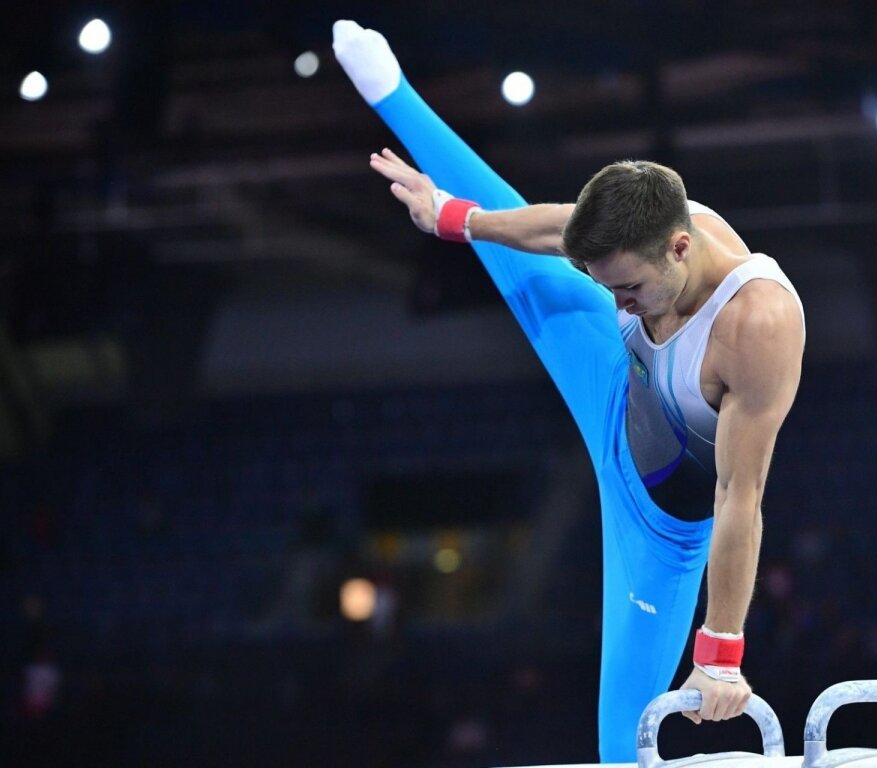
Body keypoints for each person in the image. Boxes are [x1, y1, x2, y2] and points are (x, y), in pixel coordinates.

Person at [332, 20, 805, 762]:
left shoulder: (757, 325)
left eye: (629, 288)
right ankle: (392, 92)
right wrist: (453, 218)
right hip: (616, 390)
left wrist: (721, 650)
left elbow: (738, 497)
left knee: (622, 744)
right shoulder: (645, 234)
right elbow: (557, 228)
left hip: (661, 524)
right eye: (607, 284)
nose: (619, 305)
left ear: (681, 247)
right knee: (518, 258)